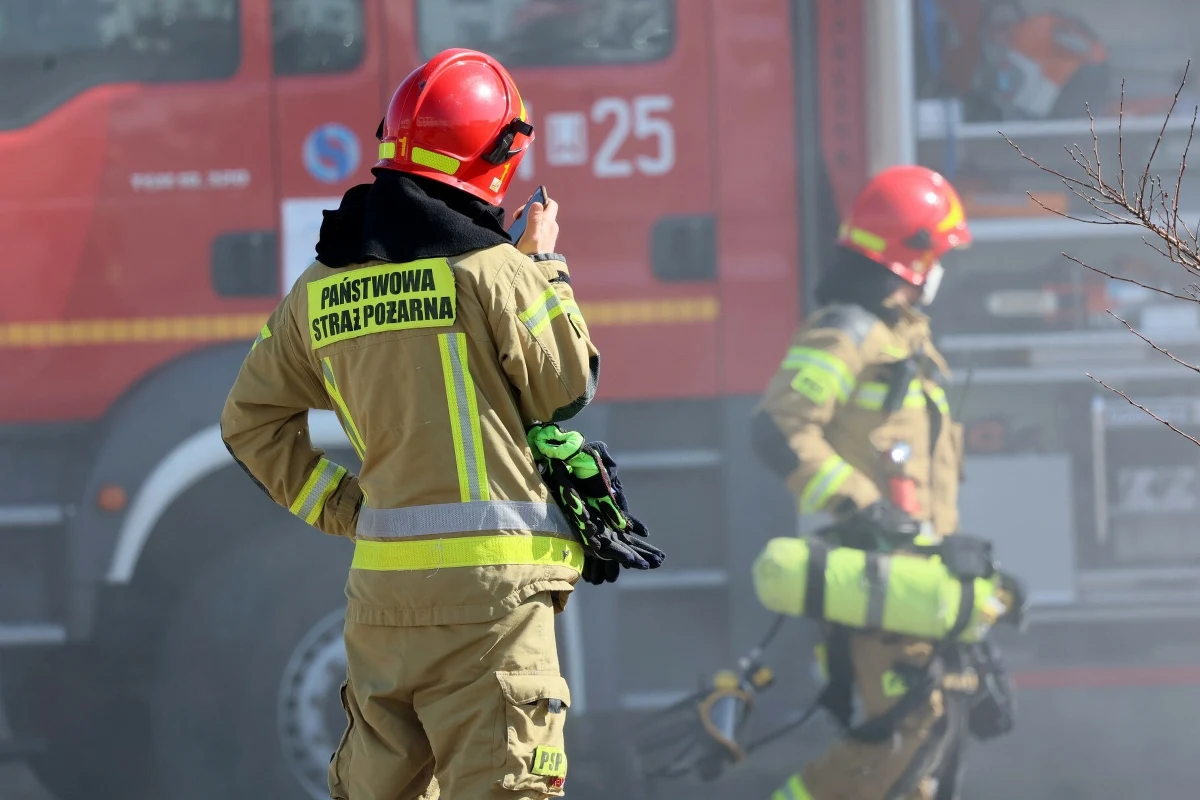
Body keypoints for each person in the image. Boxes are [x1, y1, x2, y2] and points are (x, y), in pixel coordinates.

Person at [220, 48, 600, 799]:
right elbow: (566, 388)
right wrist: (545, 268)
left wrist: (348, 511)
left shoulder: (320, 287)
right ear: (498, 156)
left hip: (382, 603)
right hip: (493, 604)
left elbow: (250, 422)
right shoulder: (495, 271)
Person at [751, 165, 982, 800]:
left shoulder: (903, 340)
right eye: (938, 253)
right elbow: (777, 428)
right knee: (901, 736)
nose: (941, 269)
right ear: (914, 255)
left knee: (924, 746)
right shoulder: (847, 332)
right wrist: (863, 507)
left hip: (915, 576)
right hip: (875, 573)